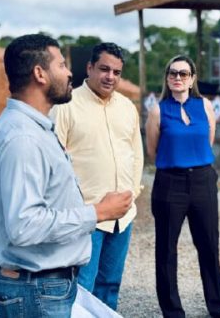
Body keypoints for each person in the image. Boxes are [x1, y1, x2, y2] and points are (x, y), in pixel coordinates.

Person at [0, 34, 132, 317]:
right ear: (40, 73)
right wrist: (97, 212)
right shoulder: (23, 137)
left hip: (41, 286)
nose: (69, 72)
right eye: (61, 64)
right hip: (36, 289)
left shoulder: (33, 128)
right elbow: (24, 225)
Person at [50, 42, 143, 310]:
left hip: (123, 217)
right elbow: (55, 161)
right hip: (87, 217)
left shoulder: (127, 107)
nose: (110, 77)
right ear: (89, 68)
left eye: (116, 72)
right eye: (104, 69)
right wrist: (77, 208)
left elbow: (136, 154)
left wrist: (131, 194)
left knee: (111, 284)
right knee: (82, 288)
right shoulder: (66, 105)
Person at [145, 55, 220, 318]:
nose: (178, 78)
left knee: (208, 245)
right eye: (173, 73)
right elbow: (153, 150)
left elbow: (207, 140)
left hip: (202, 181)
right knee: (166, 249)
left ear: (192, 78)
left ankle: (218, 307)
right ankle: (172, 311)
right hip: (169, 182)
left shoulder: (205, 105)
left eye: (183, 74)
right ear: (167, 77)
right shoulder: (158, 110)